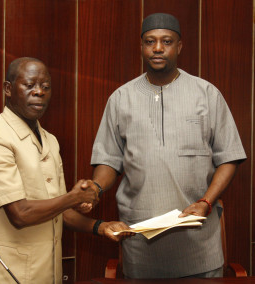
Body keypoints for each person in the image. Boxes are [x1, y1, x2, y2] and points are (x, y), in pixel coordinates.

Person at [86, 13, 247, 278]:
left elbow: (229, 157)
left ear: (179, 46)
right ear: (141, 47)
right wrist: (95, 188)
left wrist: (207, 201)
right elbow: (108, 160)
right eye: (150, 41)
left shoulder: (206, 94)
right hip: (140, 247)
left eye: (167, 41)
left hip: (199, 247)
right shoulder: (120, 99)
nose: (158, 48)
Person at [0, 57, 132, 284]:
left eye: (45, 87)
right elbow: (20, 213)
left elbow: (59, 210)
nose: (39, 92)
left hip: (48, 273)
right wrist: (74, 197)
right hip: (6, 273)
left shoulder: (50, 140)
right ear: (8, 89)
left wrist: (101, 227)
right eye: (29, 85)